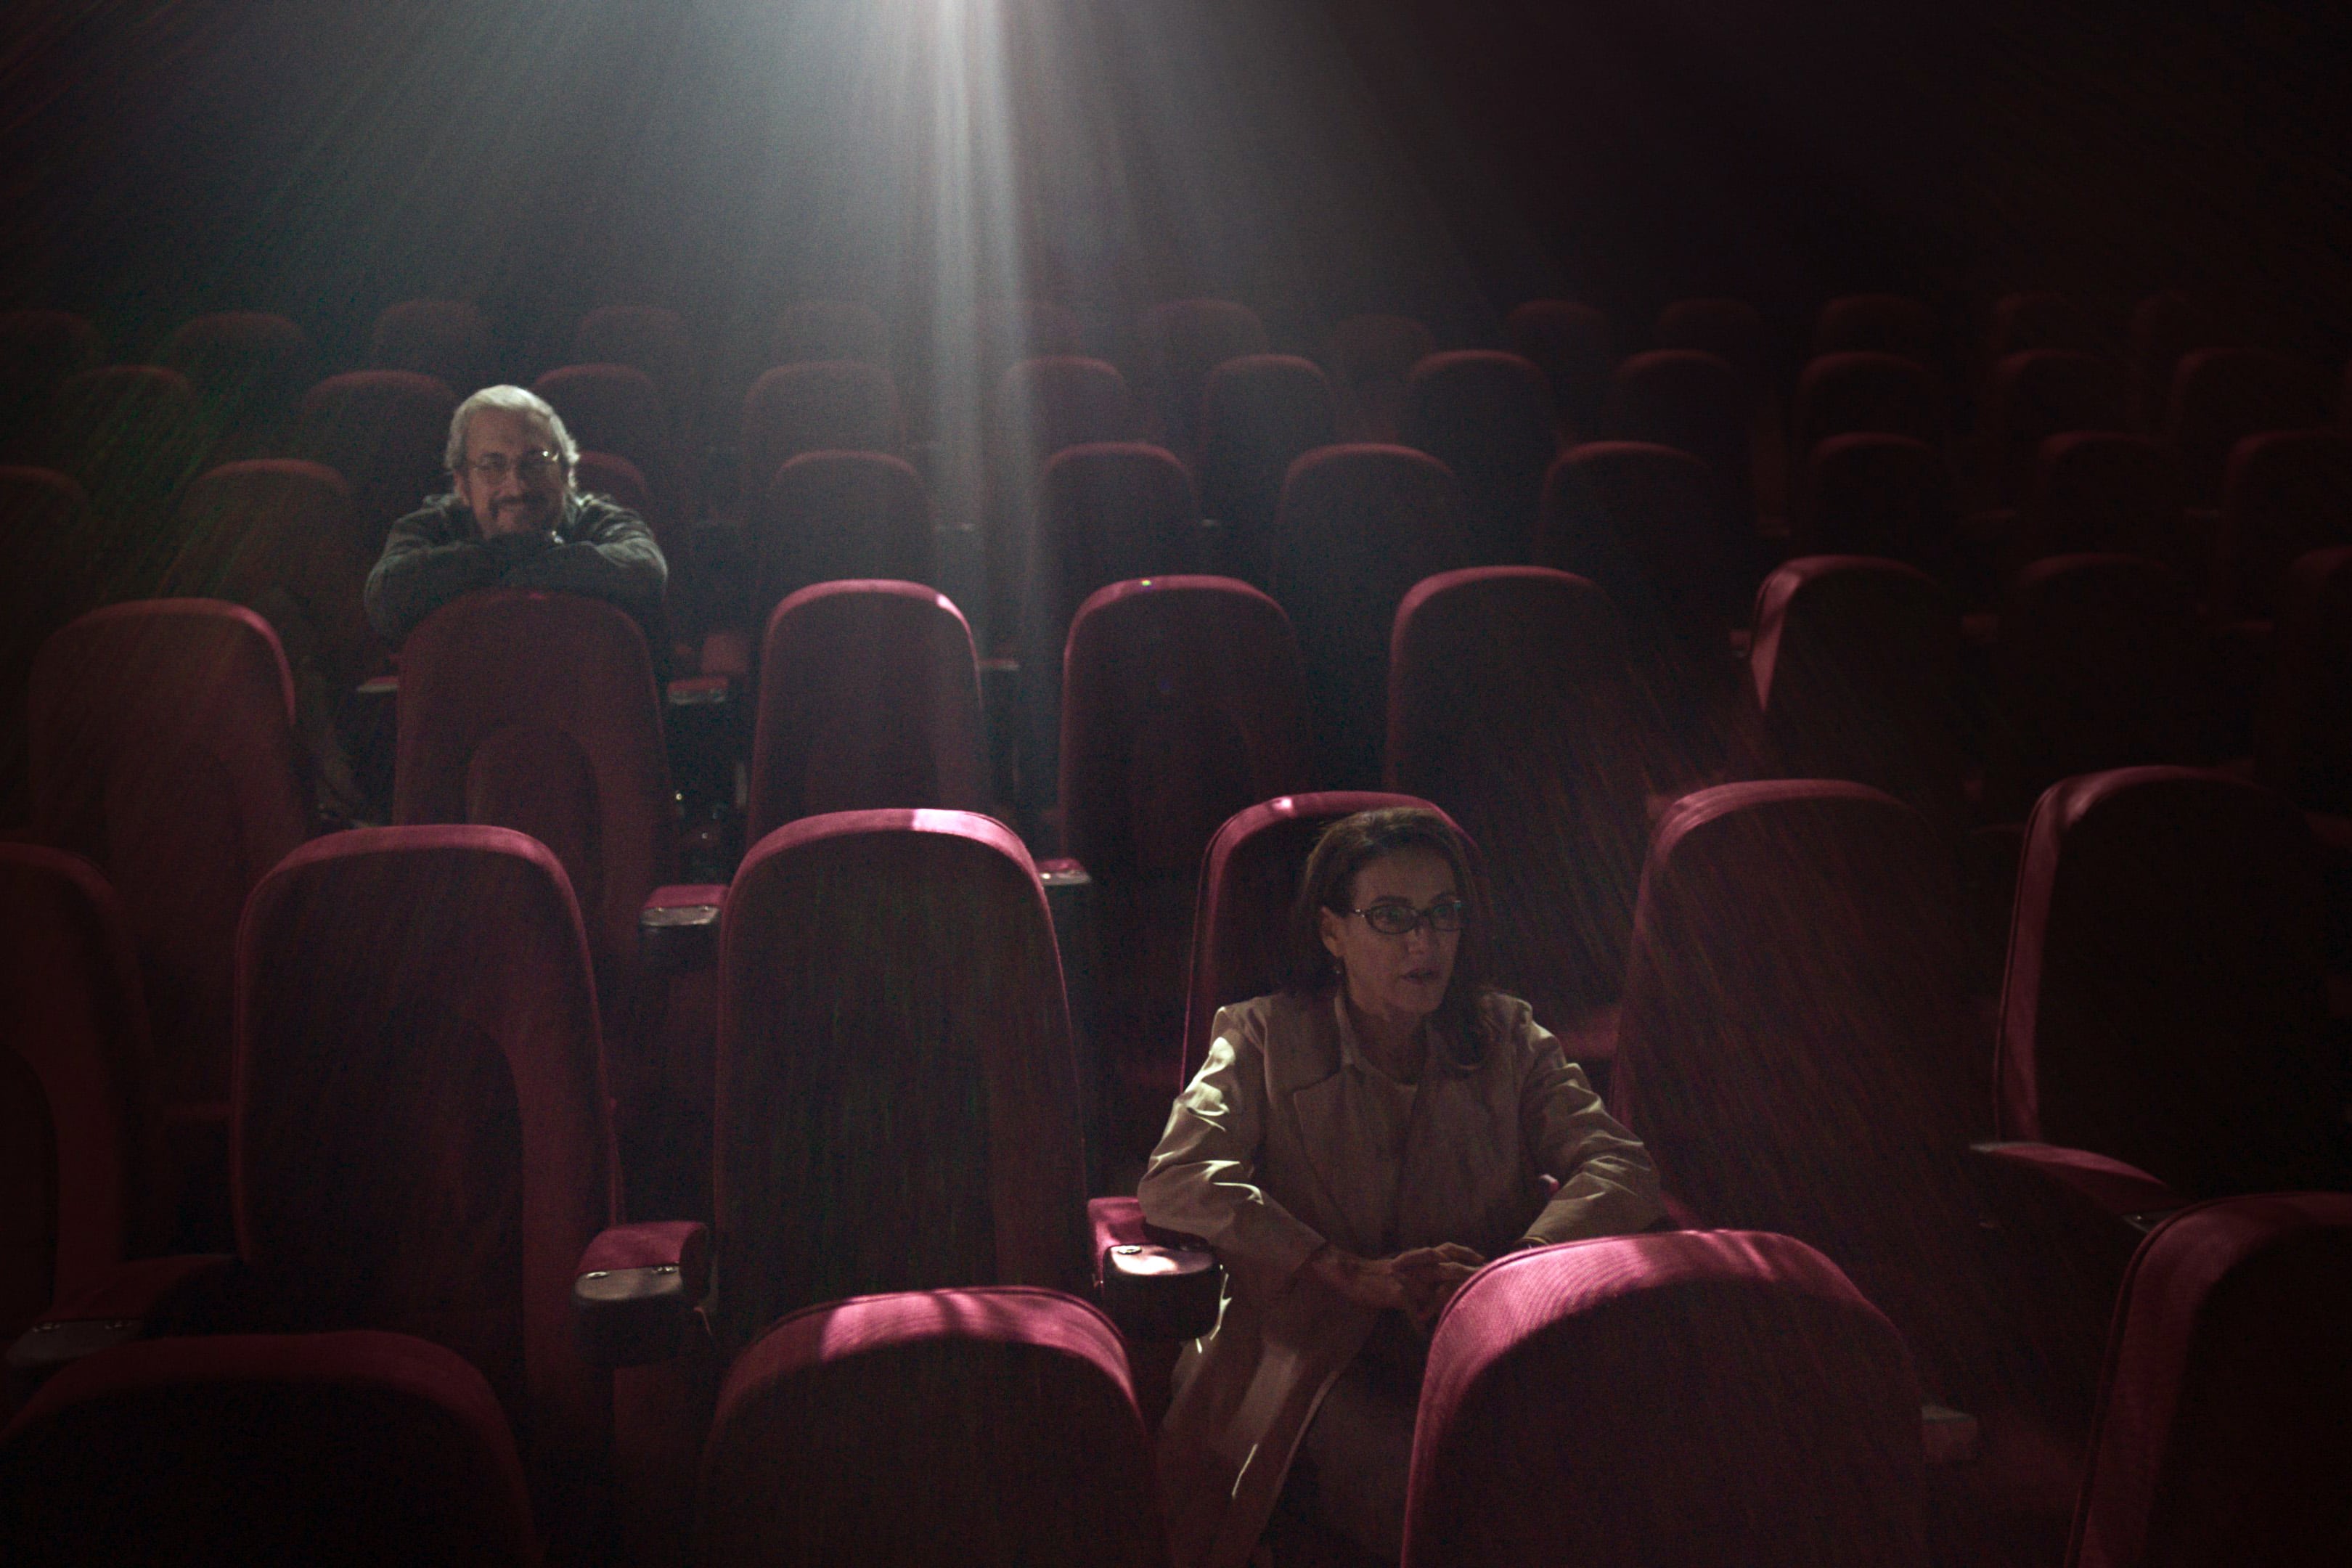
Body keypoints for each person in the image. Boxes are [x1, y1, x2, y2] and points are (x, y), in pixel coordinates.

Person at [1138, 807, 1660, 1568]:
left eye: (1443, 915)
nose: (1425, 943)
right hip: (1314, 1353)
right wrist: (1339, 1268)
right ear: (1332, 934)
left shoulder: (1506, 1034)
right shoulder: (1261, 1038)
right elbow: (1177, 1178)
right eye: (1391, 917)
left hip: (1480, 1340)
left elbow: (1623, 1167)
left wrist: (1506, 1274)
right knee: (1430, 1484)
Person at [363, 385, 668, 660]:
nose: (517, 486)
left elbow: (646, 572)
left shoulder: (598, 518)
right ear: (463, 485)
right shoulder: (432, 526)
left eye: (536, 461)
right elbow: (386, 600)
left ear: (565, 472)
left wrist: (492, 567)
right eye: (493, 465)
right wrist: (523, 553)